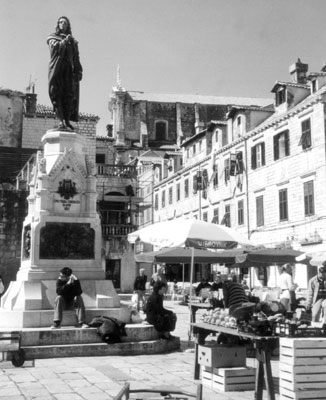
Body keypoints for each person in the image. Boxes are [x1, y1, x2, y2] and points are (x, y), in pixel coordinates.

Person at [47, 16, 83, 130]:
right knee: (56, 94)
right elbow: (54, 48)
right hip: (57, 70)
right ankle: (60, 120)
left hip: (69, 71)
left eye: (65, 23)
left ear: (68, 26)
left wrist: (79, 70)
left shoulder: (73, 42)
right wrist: (64, 42)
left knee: (69, 95)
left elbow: (76, 58)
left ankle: (67, 120)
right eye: (61, 22)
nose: (63, 24)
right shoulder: (52, 37)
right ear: (58, 24)